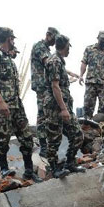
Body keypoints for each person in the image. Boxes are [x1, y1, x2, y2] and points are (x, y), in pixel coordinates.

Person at [0, 26, 40, 181]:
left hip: (17, 105)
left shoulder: (7, 57)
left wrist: (11, 52)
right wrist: (1, 101)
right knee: (3, 139)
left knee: (26, 137)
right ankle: (4, 169)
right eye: (13, 39)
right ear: (9, 38)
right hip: (3, 105)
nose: (14, 41)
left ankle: (29, 172)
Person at [42, 34, 84, 179]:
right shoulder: (54, 61)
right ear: (64, 46)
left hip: (64, 105)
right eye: (68, 47)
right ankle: (54, 168)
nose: (69, 50)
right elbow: (54, 86)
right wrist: (63, 109)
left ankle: (70, 163)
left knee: (77, 134)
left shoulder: (60, 61)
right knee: (54, 139)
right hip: (55, 106)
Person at [30, 27, 59, 156]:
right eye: (54, 39)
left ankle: (47, 145)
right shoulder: (40, 46)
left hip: (45, 85)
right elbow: (48, 63)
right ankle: (43, 147)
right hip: (41, 85)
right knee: (42, 115)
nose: (54, 42)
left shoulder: (46, 49)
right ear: (48, 35)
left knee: (48, 114)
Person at [79, 31, 104, 117]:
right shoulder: (89, 49)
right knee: (88, 107)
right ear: (98, 38)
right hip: (91, 81)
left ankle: (101, 127)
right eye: (102, 39)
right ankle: (87, 126)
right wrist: (81, 76)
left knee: (103, 108)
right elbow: (84, 63)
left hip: (103, 83)